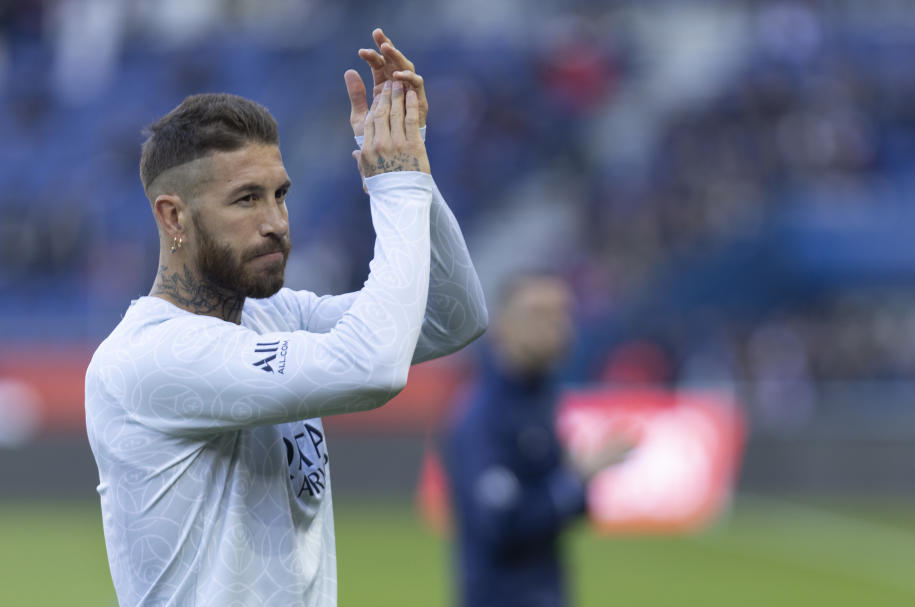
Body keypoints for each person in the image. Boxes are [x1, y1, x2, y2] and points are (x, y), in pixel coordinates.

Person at [84, 29, 487, 606]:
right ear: (174, 216)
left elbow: (453, 316)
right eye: (247, 199)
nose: (275, 220)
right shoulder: (148, 359)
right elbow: (373, 367)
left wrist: (413, 167)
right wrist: (393, 186)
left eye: (281, 194)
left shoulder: (276, 316)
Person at [443, 273, 630, 607]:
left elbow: (566, 510)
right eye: (539, 314)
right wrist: (574, 480)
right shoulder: (484, 416)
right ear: (503, 326)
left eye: (562, 314)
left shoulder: (541, 399)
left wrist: (572, 484)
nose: (556, 326)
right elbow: (501, 526)